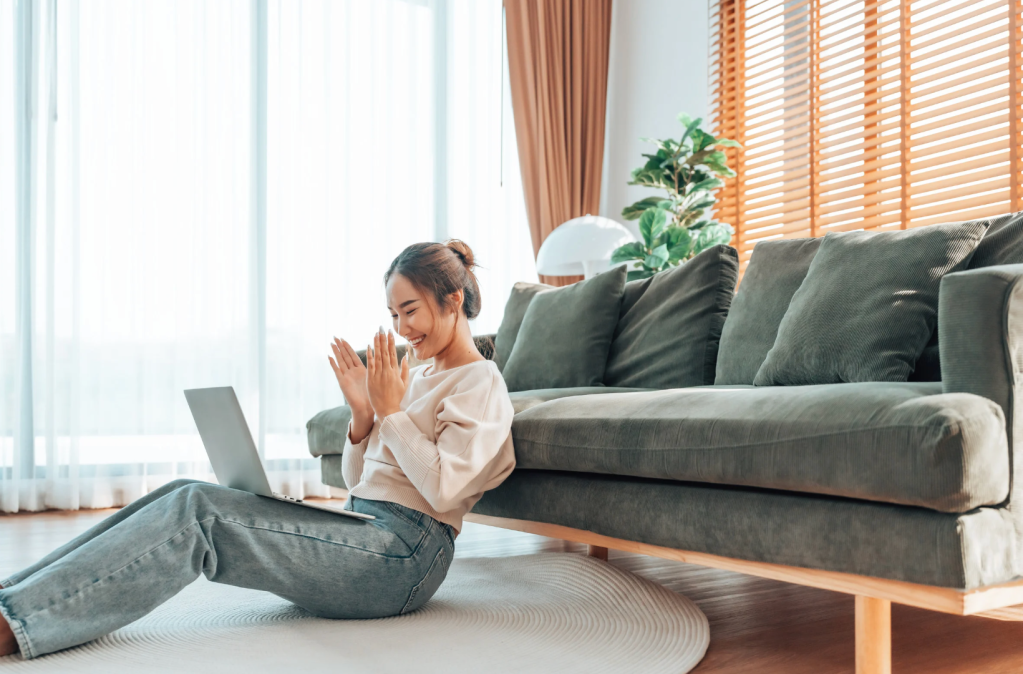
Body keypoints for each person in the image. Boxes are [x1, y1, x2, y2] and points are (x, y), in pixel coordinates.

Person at [0, 239, 517, 660]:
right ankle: (13, 596)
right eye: (393, 313)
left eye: (410, 311)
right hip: (364, 527)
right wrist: (364, 417)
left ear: (452, 300)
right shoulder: (416, 374)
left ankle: (17, 622)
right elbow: (362, 483)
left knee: (199, 514)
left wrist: (391, 413)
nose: (402, 329)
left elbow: (444, 486)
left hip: (405, 558)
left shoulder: (480, 382)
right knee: (185, 491)